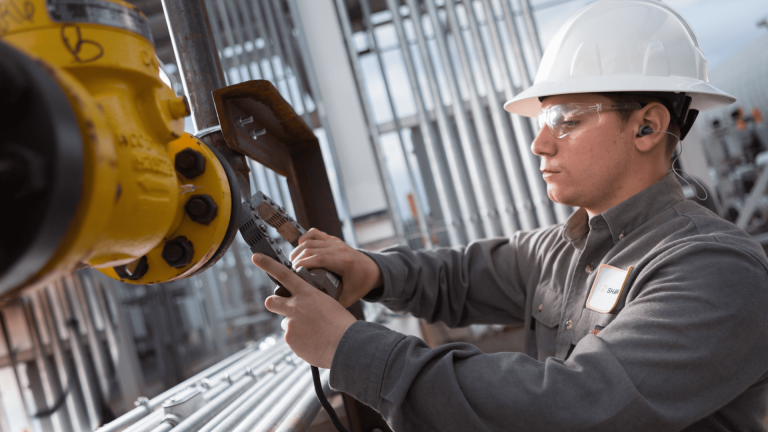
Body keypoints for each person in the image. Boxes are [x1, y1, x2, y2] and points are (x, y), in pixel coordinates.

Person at [253, 1, 768, 430]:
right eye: (544, 120)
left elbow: (566, 408)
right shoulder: (562, 250)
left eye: (565, 120)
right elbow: (457, 275)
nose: (539, 142)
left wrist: (353, 350)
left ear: (647, 127)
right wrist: (372, 271)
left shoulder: (714, 270)